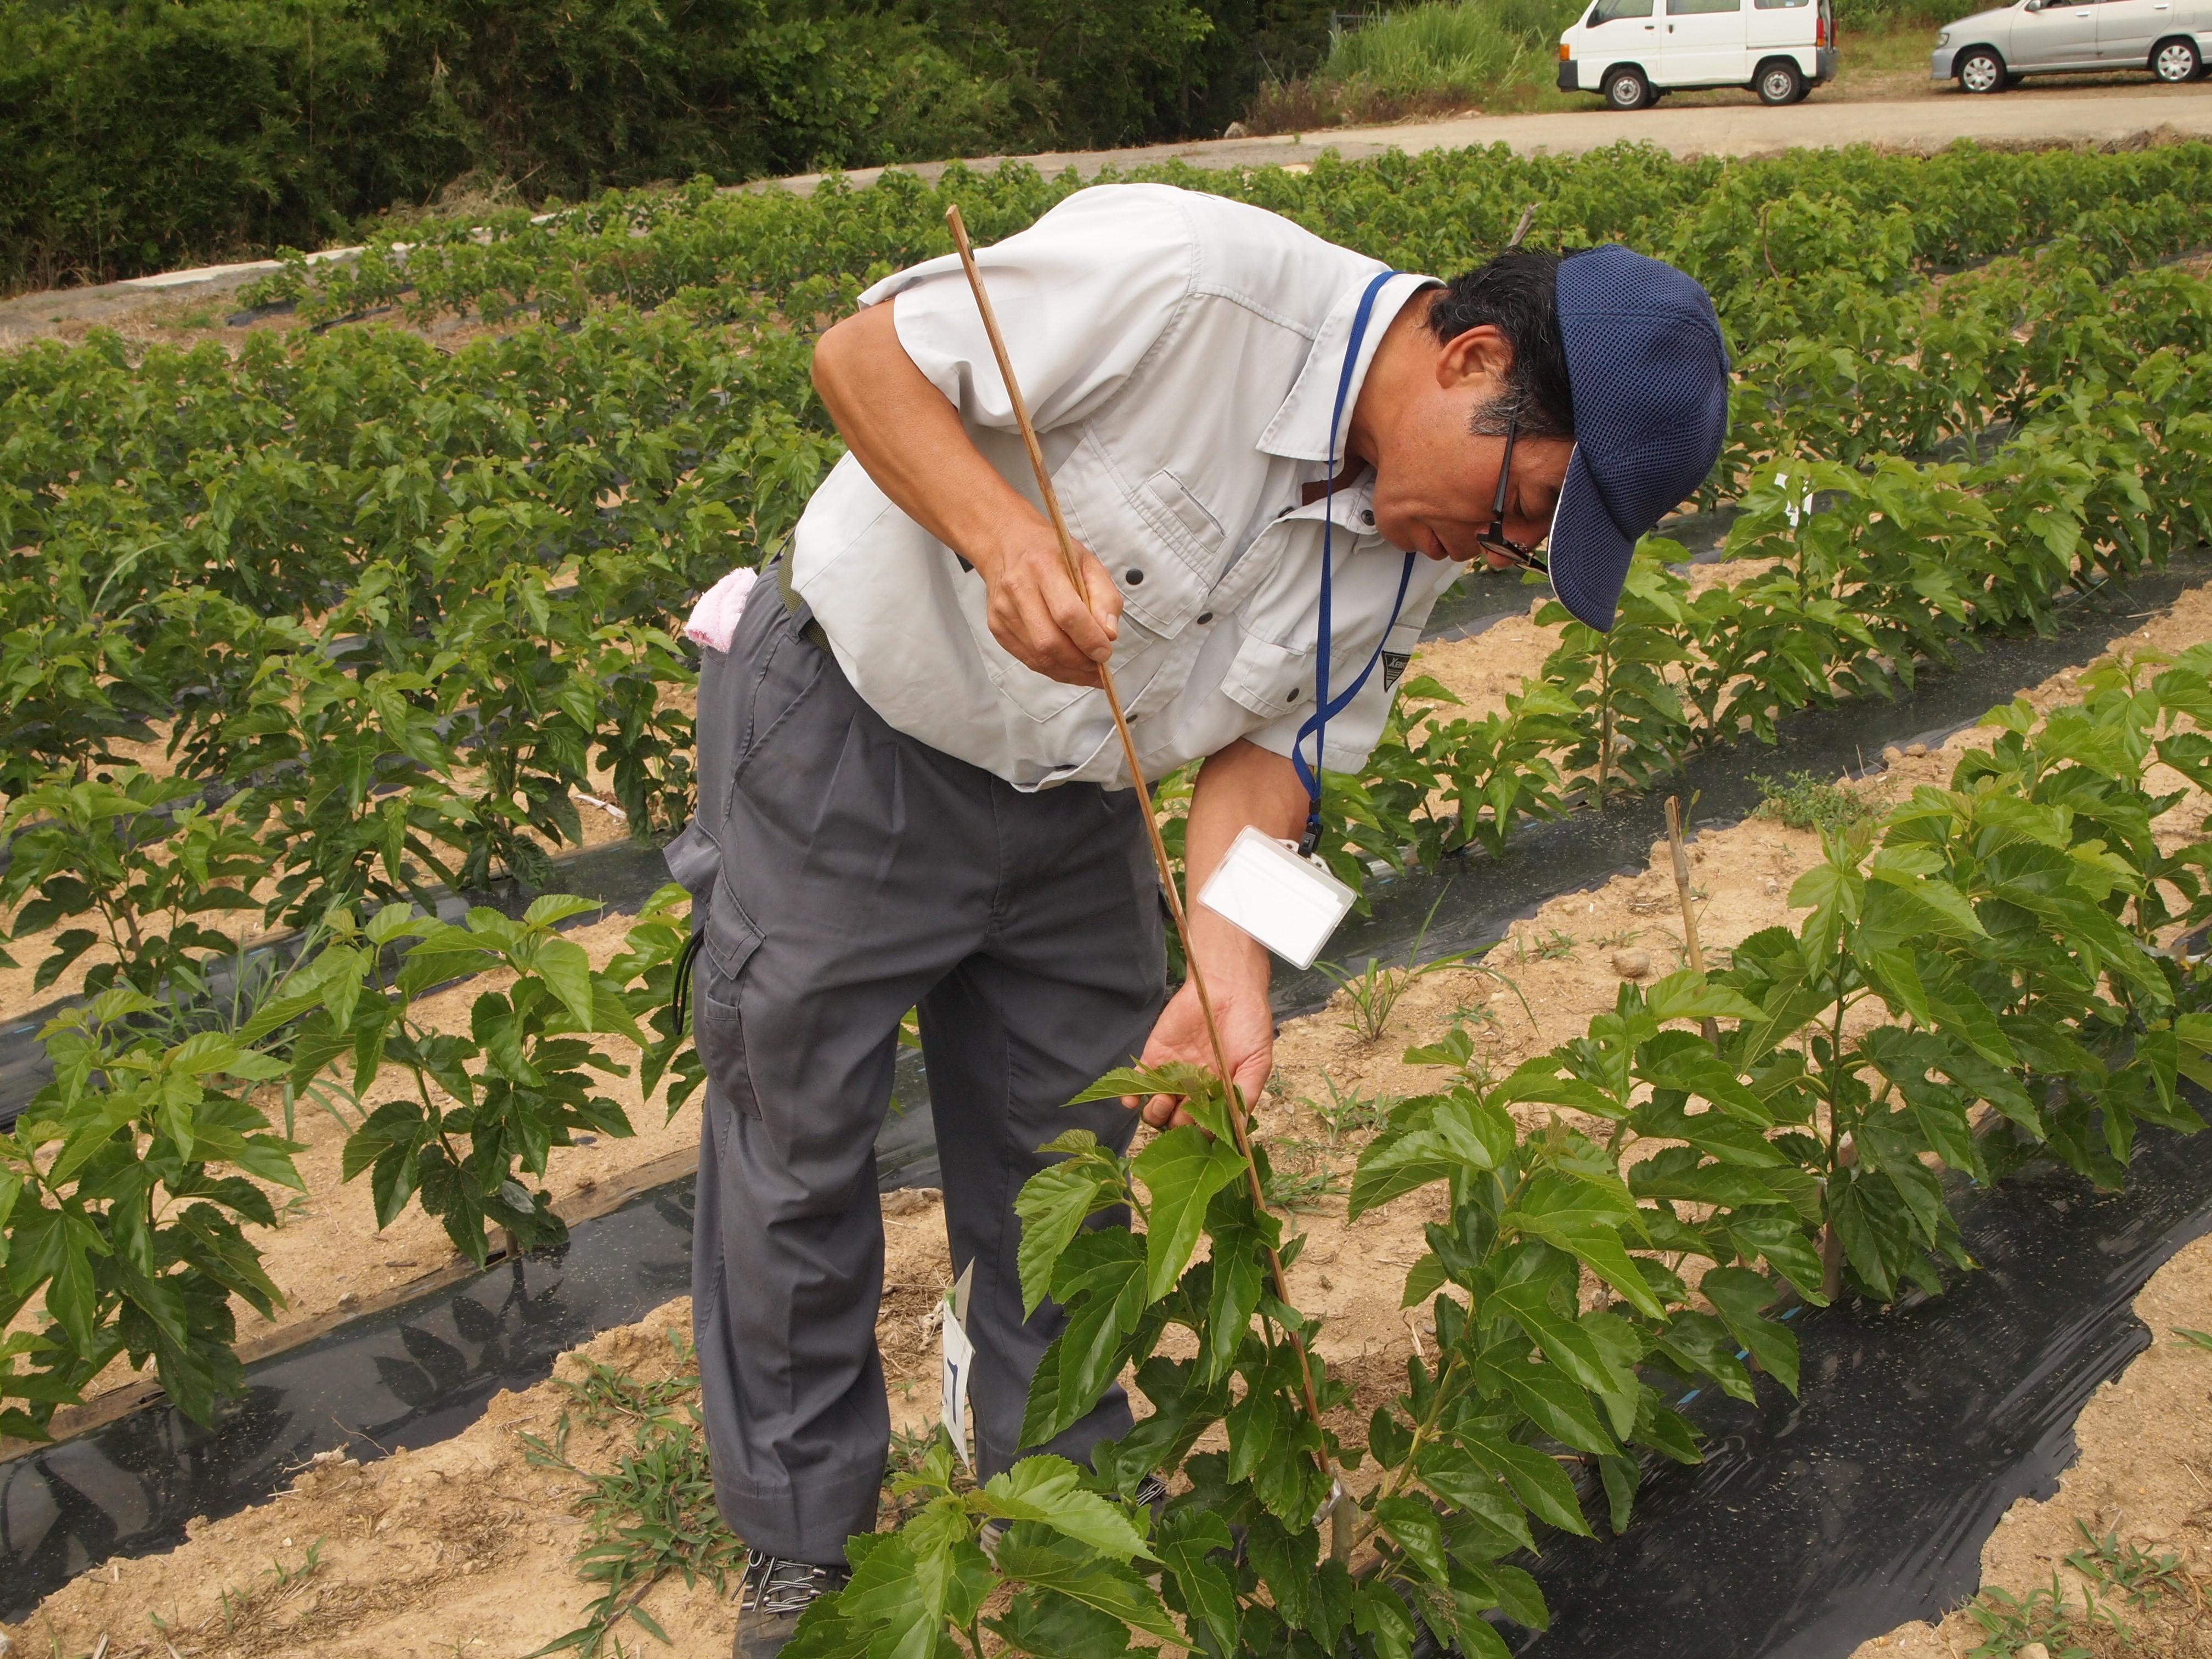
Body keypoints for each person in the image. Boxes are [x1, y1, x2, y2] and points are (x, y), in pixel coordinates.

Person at [663, 180, 1728, 1659]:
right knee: (797, 1144)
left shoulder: (1411, 548)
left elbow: (1284, 755)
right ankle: (803, 1540)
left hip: (1088, 807)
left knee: (1082, 1158)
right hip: (858, 739)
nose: (1496, 553)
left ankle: (1061, 1487)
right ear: (1473, 359)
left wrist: (1236, 974)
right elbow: (860, 357)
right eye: (1523, 510)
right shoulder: (1188, 280)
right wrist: (1000, 535)